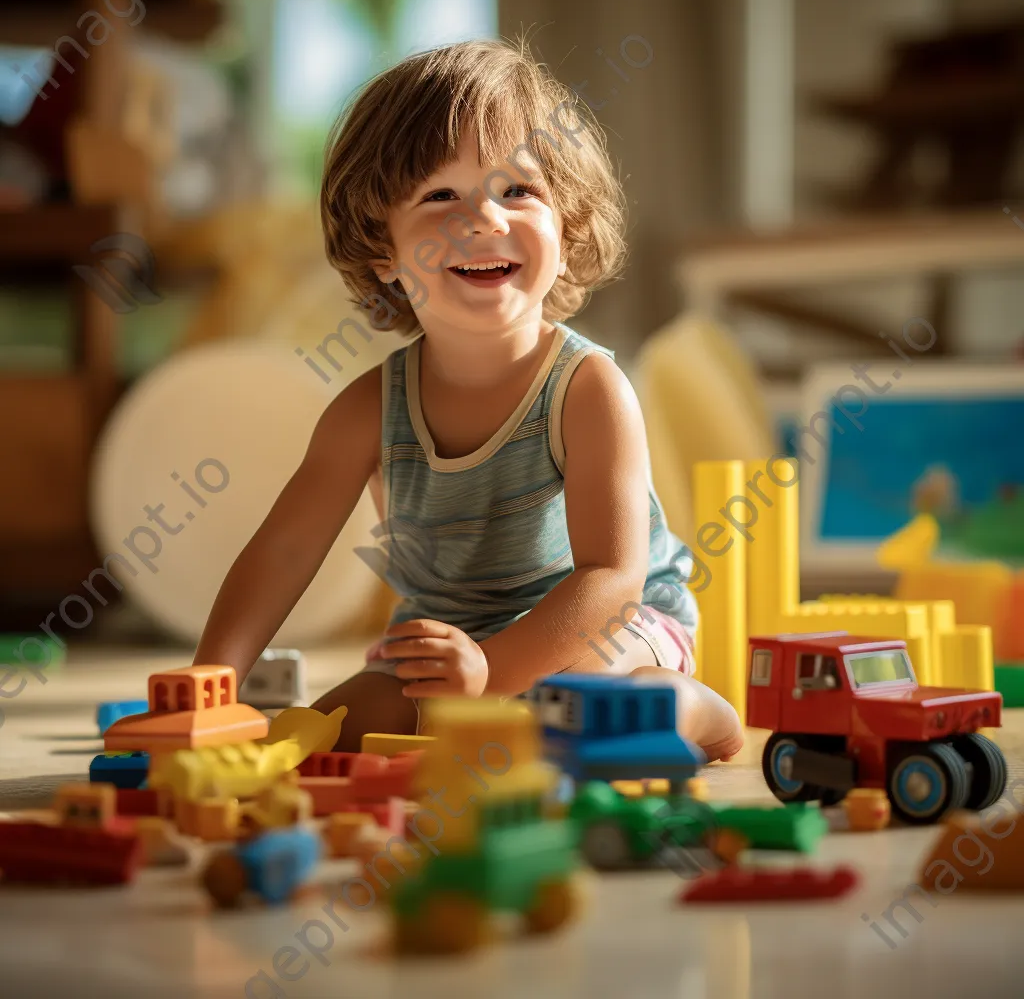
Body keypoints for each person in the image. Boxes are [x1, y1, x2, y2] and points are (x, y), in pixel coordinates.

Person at [192, 39, 743, 760]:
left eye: (518, 190)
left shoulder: (587, 389)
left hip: (603, 628)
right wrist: (209, 685)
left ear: (567, 224)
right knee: (337, 727)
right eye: (441, 196)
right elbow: (285, 549)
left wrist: (493, 676)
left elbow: (610, 577)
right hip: (451, 640)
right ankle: (494, 711)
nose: (485, 219)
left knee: (573, 716)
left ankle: (698, 714)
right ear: (381, 249)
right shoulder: (367, 410)